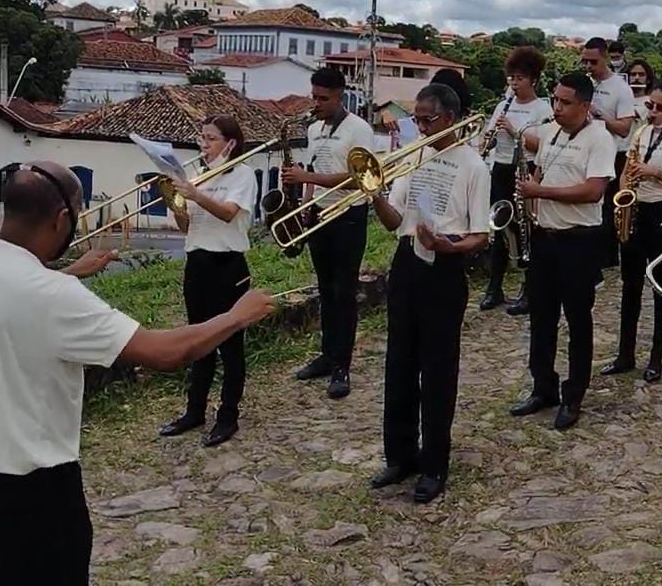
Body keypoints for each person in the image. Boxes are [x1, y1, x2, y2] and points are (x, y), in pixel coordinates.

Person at [0, 161, 275, 583]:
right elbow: (164, 352)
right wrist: (236, 316)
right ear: (62, 220)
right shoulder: (55, 296)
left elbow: (17, 295)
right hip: (32, 490)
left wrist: (73, 271)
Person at [368, 84, 491, 504]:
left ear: (451, 119)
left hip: (445, 265)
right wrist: (374, 194)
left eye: (428, 120)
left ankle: (435, 462)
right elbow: (394, 220)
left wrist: (448, 247)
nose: (419, 127)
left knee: (438, 369)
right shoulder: (414, 156)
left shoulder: (474, 166)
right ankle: (399, 454)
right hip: (407, 261)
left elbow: (480, 236)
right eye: (416, 119)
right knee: (399, 362)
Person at [509, 71, 615, 431]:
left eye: (566, 102)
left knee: (578, 320)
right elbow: (540, 171)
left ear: (585, 106)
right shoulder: (550, 132)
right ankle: (543, 387)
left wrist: (540, 194)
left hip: (578, 241)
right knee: (541, 318)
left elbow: (592, 191)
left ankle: (574, 395)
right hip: (544, 237)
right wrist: (532, 190)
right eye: (555, 100)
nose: (557, 107)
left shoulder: (600, 140)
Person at [159, 116, 260, 447]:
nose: (203, 144)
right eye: (201, 137)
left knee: (230, 344)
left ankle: (228, 416)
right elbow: (189, 226)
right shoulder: (199, 176)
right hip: (197, 261)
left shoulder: (242, 174)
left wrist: (195, 193)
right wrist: (175, 202)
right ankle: (194, 410)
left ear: (230, 143)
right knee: (198, 339)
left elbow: (229, 213)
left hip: (227, 264)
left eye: (211, 138)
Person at [283, 67, 376, 398]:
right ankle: (326, 355)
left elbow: (360, 177)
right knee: (325, 289)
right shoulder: (314, 130)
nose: (316, 103)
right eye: (314, 96)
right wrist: (306, 208)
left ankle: (342, 366)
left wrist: (308, 182)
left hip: (350, 215)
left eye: (323, 98)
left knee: (344, 292)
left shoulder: (359, 130)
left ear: (340, 96)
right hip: (321, 214)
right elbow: (312, 169)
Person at [600, 81, 662, 382]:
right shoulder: (640, 133)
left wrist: (655, 172)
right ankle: (625, 354)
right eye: (649, 105)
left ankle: (656, 357)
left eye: (660, 107)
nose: (652, 111)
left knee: (660, 286)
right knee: (630, 287)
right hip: (636, 210)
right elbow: (627, 172)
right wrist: (624, 189)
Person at [479, 47, 552, 314]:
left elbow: (541, 144)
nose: (514, 82)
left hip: (526, 169)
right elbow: (488, 136)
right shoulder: (503, 104)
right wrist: (490, 138)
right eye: (511, 78)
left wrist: (513, 130)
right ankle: (494, 288)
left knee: (526, 231)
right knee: (498, 228)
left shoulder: (542, 108)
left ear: (533, 79)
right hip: (501, 167)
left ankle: (528, 289)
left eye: (519, 78)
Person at [582, 37, 638, 267]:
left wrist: (599, 114)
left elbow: (624, 129)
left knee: (607, 207)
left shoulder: (621, 89)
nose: (587, 67)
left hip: (613, 153)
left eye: (593, 62)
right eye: (584, 61)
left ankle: (607, 257)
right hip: (586, 149)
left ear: (605, 58)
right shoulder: (585, 83)